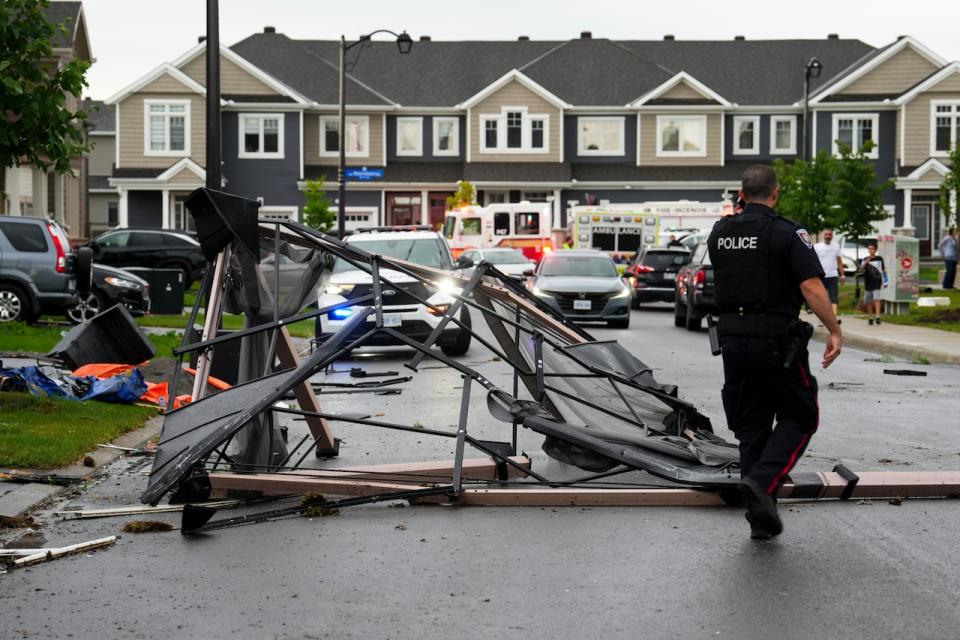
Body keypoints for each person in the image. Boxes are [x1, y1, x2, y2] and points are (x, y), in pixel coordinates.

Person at [708, 165, 842, 540]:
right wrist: (833, 329)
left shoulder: (720, 233)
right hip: (774, 341)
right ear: (775, 193)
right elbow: (812, 286)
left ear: (741, 192)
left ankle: (761, 520)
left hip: (732, 341)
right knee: (801, 414)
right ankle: (763, 483)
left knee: (752, 427)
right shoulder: (787, 232)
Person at [814, 228, 845, 316]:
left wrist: (842, 275)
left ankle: (834, 318)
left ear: (832, 236)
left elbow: (839, 261)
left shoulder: (836, 246)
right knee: (822, 298)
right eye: (826, 234)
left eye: (829, 234)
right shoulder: (817, 246)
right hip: (821, 276)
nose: (828, 236)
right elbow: (814, 261)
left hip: (833, 275)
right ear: (823, 235)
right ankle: (822, 317)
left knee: (833, 298)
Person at [858, 244, 885, 325]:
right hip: (868, 282)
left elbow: (883, 269)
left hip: (877, 281)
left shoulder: (879, 259)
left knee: (876, 298)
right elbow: (861, 270)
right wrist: (865, 263)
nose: (871, 250)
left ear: (875, 250)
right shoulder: (865, 259)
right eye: (869, 249)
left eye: (872, 249)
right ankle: (870, 317)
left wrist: (886, 280)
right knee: (868, 301)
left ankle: (877, 317)